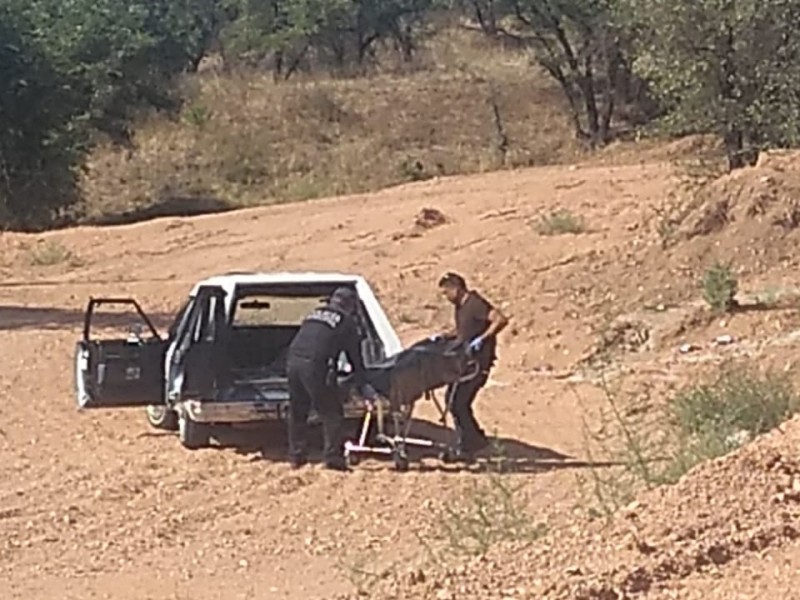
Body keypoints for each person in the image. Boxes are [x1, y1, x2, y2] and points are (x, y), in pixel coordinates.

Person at [286, 287, 374, 471]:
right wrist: (363, 384)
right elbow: (355, 358)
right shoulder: (347, 322)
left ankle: (296, 456)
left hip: (292, 362)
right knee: (332, 413)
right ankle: (333, 458)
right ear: (350, 306)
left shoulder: (314, 313)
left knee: (298, 410)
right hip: (315, 365)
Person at [433, 272, 509, 461]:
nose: (446, 297)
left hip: (478, 364)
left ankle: (472, 443)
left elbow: (500, 319)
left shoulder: (475, 303)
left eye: (446, 293)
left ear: (456, 288)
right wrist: (446, 336)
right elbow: (463, 331)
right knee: (453, 399)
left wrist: (482, 340)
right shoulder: (460, 307)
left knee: (458, 401)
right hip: (464, 363)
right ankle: (472, 441)